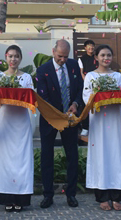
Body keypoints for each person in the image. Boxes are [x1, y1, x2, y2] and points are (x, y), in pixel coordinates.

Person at [36, 39, 84, 209]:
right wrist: (57, 115)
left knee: (72, 157)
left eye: (65, 56)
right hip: (50, 120)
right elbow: (43, 98)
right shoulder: (43, 70)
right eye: (60, 56)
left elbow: (80, 89)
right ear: (53, 51)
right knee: (46, 158)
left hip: (70, 119)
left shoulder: (73, 66)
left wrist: (76, 104)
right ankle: (48, 195)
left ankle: (71, 194)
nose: (63, 60)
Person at [83, 44, 121, 211]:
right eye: (102, 55)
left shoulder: (118, 76)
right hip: (99, 120)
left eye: (108, 55)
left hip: (115, 119)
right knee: (100, 155)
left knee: (116, 155)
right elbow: (86, 97)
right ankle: (102, 196)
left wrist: (114, 96)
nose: (106, 58)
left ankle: (117, 196)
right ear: (96, 57)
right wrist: (100, 96)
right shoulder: (90, 76)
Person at [0, 45, 34, 212]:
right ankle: (7, 198)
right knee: (5, 160)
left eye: (16, 56)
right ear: (6, 57)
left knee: (21, 159)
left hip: (22, 124)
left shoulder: (27, 77)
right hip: (5, 123)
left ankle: (21, 198)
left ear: (21, 58)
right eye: (10, 56)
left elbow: (31, 98)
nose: (13, 59)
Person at [76, 40, 95, 141]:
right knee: (85, 107)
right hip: (87, 85)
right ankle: (85, 128)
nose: (91, 48)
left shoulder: (97, 57)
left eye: (92, 46)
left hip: (97, 85)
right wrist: (88, 82)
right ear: (85, 48)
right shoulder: (81, 59)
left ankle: (95, 127)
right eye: (88, 46)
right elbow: (81, 72)